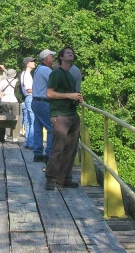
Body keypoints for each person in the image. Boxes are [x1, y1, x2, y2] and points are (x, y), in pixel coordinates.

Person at [45, 46, 84, 190]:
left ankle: (64, 178)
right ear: (61, 57)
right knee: (58, 148)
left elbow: (70, 94)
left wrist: (77, 99)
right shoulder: (56, 74)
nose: (71, 54)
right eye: (68, 53)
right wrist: (69, 96)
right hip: (59, 115)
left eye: (72, 53)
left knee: (71, 149)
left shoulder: (70, 75)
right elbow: (49, 94)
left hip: (72, 114)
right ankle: (50, 179)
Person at [31, 49, 55, 162]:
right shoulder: (46, 70)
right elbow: (55, 82)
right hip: (43, 101)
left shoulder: (38, 69)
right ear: (46, 59)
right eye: (51, 56)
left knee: (38, 128)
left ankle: (38, 153)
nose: (53, 58)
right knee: (51, 128)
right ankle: (49, 154)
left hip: (35, 101)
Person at [21, 57, 36, 149]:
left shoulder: (23, 74)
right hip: (30, 97)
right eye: (32, 61)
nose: (34, 63)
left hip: (27, 98)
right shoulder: (27, 75)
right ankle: (31, 143)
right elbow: (29, 90)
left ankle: (27, 141)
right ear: (27, 64)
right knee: (33, 120)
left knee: (28, 121)